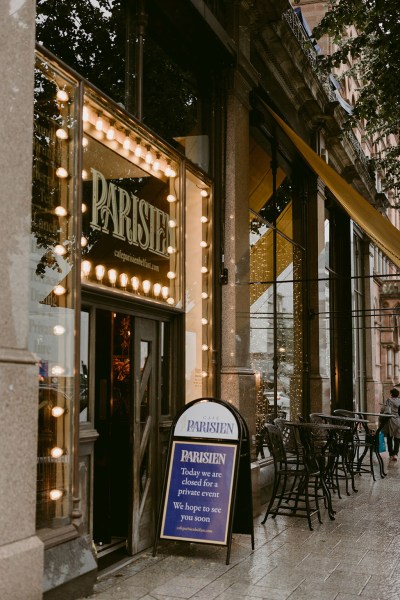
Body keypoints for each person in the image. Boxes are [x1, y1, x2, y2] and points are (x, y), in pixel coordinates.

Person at [382, 388, 400, 461]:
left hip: (390, 420)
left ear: (391, 394)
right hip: (398, 420)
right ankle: (395, 454)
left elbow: (385, 410)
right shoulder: (399, 401)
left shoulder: (388, 400)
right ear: (398, 394)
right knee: (397, 438)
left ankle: (391, 454)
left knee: (389, 438)